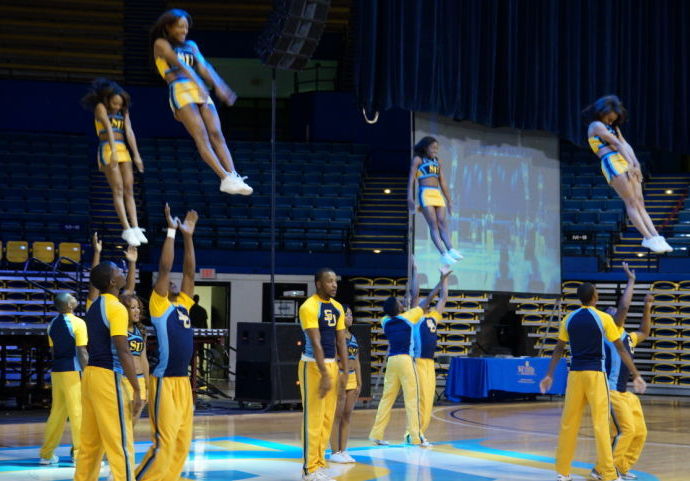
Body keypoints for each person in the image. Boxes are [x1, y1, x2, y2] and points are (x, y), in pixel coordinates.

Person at [539, 282, 647, 481]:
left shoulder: (568, 318)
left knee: (568, 424)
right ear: (595, 297)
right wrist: (636, 374)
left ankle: (562, 472)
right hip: (596, 375)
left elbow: (558, 349)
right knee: (601, 425)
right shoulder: (603, 318)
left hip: (575, 376)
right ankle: (607, 473)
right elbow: (622, 349)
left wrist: (549, 374)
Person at [150, 9, 252, 196]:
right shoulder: (161, 43)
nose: (184, 30)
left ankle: (233, 176)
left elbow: (204, 66)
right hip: (180, 90)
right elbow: (179, 64)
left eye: (186, 27)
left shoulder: (191, 44)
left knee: (217, 134)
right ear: (168, 27)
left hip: (200, 90)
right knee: (202, 135)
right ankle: (224, 177)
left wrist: (220, 85)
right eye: (180, 26)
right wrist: (198, 82)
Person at [135, 204, 197, 481]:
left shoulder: (183, 303)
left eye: (173, 283)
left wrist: (188, 236)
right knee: (164, 443)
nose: (171, 283)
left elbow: (189, 273)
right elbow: (165, 267)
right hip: (163, 381)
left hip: (182, 382)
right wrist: (172, 232)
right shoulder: (159, 305)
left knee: (183, 443)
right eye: (166, 282)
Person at [74, 261, 144, 481]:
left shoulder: (94, 306)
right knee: (120, 443)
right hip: (108, 377)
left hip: (90, 376)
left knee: (89, 444)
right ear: (113, 282)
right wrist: (136, 389)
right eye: (119, 271)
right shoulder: (115, 308)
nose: (123, 273)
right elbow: (123, 351)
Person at [368, 271, 450, 447]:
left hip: (392, 361)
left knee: (386, 398)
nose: (402, 303)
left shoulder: (385, 321)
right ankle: (415, 436)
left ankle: (376, 433)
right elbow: (427, 299)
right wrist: (441, 280)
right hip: (406, 360)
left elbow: (415, 300)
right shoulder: (408, 318)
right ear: (397, 309)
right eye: (399, 303)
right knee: (412, 400)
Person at [584, 95, 671, 254]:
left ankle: (655, 236)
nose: (611, 122)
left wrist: (636, 164)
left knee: (639, 203)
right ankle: (647, 237)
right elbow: (616, 145)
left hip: (624, 160)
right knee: (631, 202)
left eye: (613, 119)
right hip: (611, 161)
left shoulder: (613, 127)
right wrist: (631, 164)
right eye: (609, 118)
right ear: (602, 112)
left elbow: (624, 144)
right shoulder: (596, 125)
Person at [591, 265, 651, 481]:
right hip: (611, 391)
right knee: (625, 431)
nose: (614, 310)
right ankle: (603, 469)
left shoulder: (627, 337)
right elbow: (624, 307)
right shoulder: (609, 332)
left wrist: (647, 306)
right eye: (610, 310)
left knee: (640, 432)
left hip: (626, 393)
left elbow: (645, 331)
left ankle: (622, 466)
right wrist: (631, 281)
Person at [81, 78, 147, 247]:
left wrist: (137, 155)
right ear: (107, 99)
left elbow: (129, 132)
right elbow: (109, 130)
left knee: (129, 190)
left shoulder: (123, 112)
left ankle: (136, 227)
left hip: (123, 149)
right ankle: (126, 229)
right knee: (117, 189)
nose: (118, 106)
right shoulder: (100, 107)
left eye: (120, 104)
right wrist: (113, 152)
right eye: (115, 103)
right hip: (108, 149)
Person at [298, 268, 348, 481]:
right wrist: (324, 374)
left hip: (332, 366)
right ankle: (309, 469)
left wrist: (345, 370)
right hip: (312, 367)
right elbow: (316, 342)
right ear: (318, 283)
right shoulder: (308, 307)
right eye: (329, 281)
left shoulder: (337, 308)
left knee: (327, 418)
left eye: (335, 281)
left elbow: (341, 341)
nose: (334, 285)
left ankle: (319, 463)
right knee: (313, 419)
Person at [39, 293, 88, 466]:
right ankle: (79, 455)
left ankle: (46, 454)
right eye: (73, 298)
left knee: (57, 413)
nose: (76, 299)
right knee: (77, 413)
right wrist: (88, 372)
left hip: (57, 372)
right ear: (69, 305)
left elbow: (53, 352)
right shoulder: (78, 323)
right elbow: (81, 351)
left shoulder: (51, 324)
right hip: (73, 372)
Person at [407, 136, 463, 267]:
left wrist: (449, 201)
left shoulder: (437, 161)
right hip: (425, 193)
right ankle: (443, 254)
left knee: (443, 223)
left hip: (437, 194)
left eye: (437, 148)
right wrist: (409, 197)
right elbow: (411, 179)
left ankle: (451, 249)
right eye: (433, 147)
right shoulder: (418, 160)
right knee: (433, 225)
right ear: (425, 147)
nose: (435, 150)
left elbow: (443, 182)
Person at [410, 260, 449, 440]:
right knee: (419, 399)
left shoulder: (433, 316)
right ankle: (413, 433)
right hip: (417, 361)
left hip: (430, 363)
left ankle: (421, 433)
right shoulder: (415, 316)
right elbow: (415, 293)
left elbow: (444, 297)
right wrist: (415, 270)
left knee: (428, 401)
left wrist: (444, 277)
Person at [328, 305, 361, 464]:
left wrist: (360, 383)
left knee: (347, 415)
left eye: (351, 314)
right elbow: (334, 359)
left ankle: (344, 450)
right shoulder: (336, 336)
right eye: (346, 314)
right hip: (340, 377)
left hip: (353, 378)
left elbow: (357, 361)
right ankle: (334, 451)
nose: (350, 317)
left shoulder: (353, 337)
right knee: (337, 416)